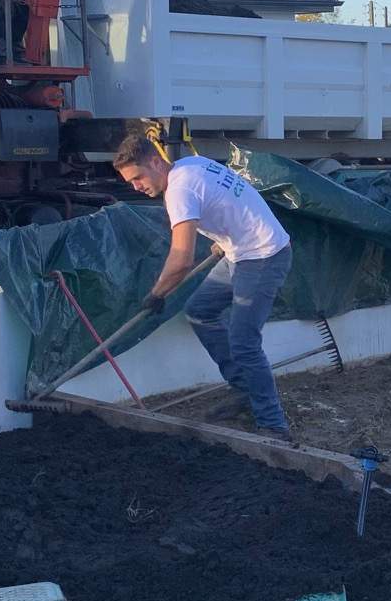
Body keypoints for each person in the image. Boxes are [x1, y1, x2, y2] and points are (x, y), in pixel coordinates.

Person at [113, 129, 296, 441]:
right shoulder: (191, 165)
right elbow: (228, 198)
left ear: (157, 163)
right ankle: (244, 390)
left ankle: (273, 425)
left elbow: (181, 258)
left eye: (138, 177)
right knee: (200, 310)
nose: (137, 186)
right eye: (131, 182)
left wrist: (158, 293)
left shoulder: (178, 190)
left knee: (244, 341)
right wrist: (225, 237)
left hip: (263, 256)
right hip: (238, 251)